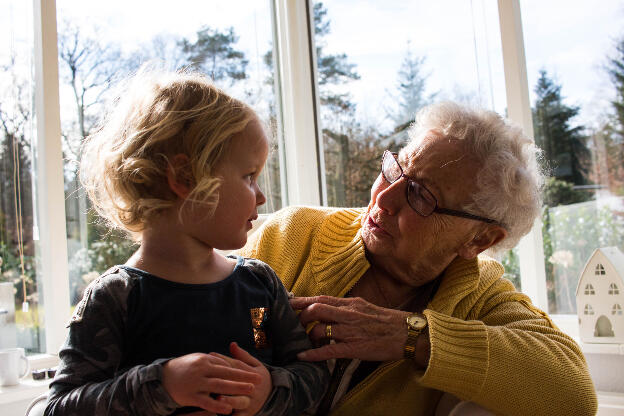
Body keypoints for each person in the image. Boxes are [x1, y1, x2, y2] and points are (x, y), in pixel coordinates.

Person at [239, 102, 598, 416]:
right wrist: (261, 335)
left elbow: (574, 395)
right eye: (394, 170)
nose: (384, 199)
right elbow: (214, 312)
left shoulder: (478, 297)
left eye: (420, 195)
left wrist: (413, 338)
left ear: (479, 238)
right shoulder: (294, 233)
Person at [45, 69, 328, 416]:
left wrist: (269, 390)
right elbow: (58, 408)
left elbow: (313, 377)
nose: (261, 197)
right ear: (184, 177)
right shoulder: (116, 298)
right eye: (248, 177)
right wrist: (162, 385)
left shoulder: (260, 284)